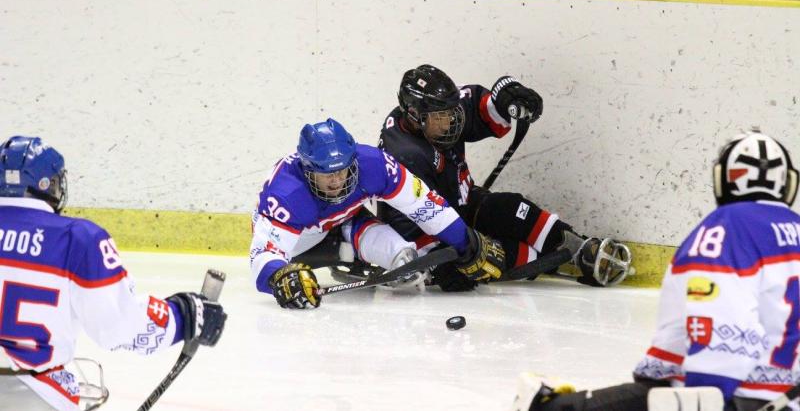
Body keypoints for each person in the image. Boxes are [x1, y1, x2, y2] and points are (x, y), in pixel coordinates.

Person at [514, 130, 800, 411]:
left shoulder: (725, 229)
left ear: (723, 179)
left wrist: (707, 392)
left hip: (734, 397)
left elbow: (722, 334)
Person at [0, 136, 227, 411]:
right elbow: (119, 326)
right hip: (35, 397)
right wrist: (183, 315)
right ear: (49, 185)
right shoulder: (78, 239)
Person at [378, 64, 631, 291]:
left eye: (451, 112)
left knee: (510, 207)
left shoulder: (439, 111)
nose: (451, 122)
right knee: (494, 256)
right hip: (435, 230)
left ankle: (580, 250)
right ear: (414, 116)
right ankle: (542, 262)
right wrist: (437, 263)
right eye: (441, 118)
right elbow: (406, 220)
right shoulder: (404, 154)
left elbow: (477, 105)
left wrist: (505, 96)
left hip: (462, 204)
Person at [249, 118, 508, 309]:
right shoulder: (285, 194)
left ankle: (402, 262)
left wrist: (467, 244)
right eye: (327, 174)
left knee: (402, 254)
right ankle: (341, 251)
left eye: (343, 170)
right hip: (300, 242)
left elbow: (426, 206)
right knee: (306, 258)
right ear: (307, 170)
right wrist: (280, 276)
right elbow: (263, 253)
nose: (338, 180)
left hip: (344, 220)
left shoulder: (374, 165)